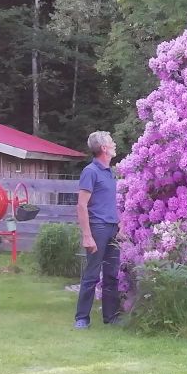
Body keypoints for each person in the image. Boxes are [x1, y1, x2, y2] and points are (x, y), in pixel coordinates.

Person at [74, 131, 120, 328]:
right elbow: (81, 205)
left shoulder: (110, 173)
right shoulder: (90, 171)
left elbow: (111, 202)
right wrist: (87, 235)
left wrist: (121, 225)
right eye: (111, 142)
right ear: (103, 148)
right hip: (97, 229)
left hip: (112, 229)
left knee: (111, 275)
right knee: (92, 275)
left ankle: (111, 318)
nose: (114, 144)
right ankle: (82, 318)